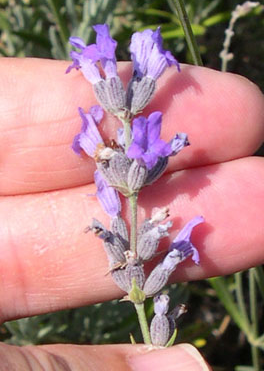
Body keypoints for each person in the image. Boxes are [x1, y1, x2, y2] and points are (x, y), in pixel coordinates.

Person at [0, 58, 263, 371]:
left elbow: (144, 160)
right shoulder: (123, 158)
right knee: (122, 226)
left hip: (134, 175)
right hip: (125, 191)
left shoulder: (140, 151)